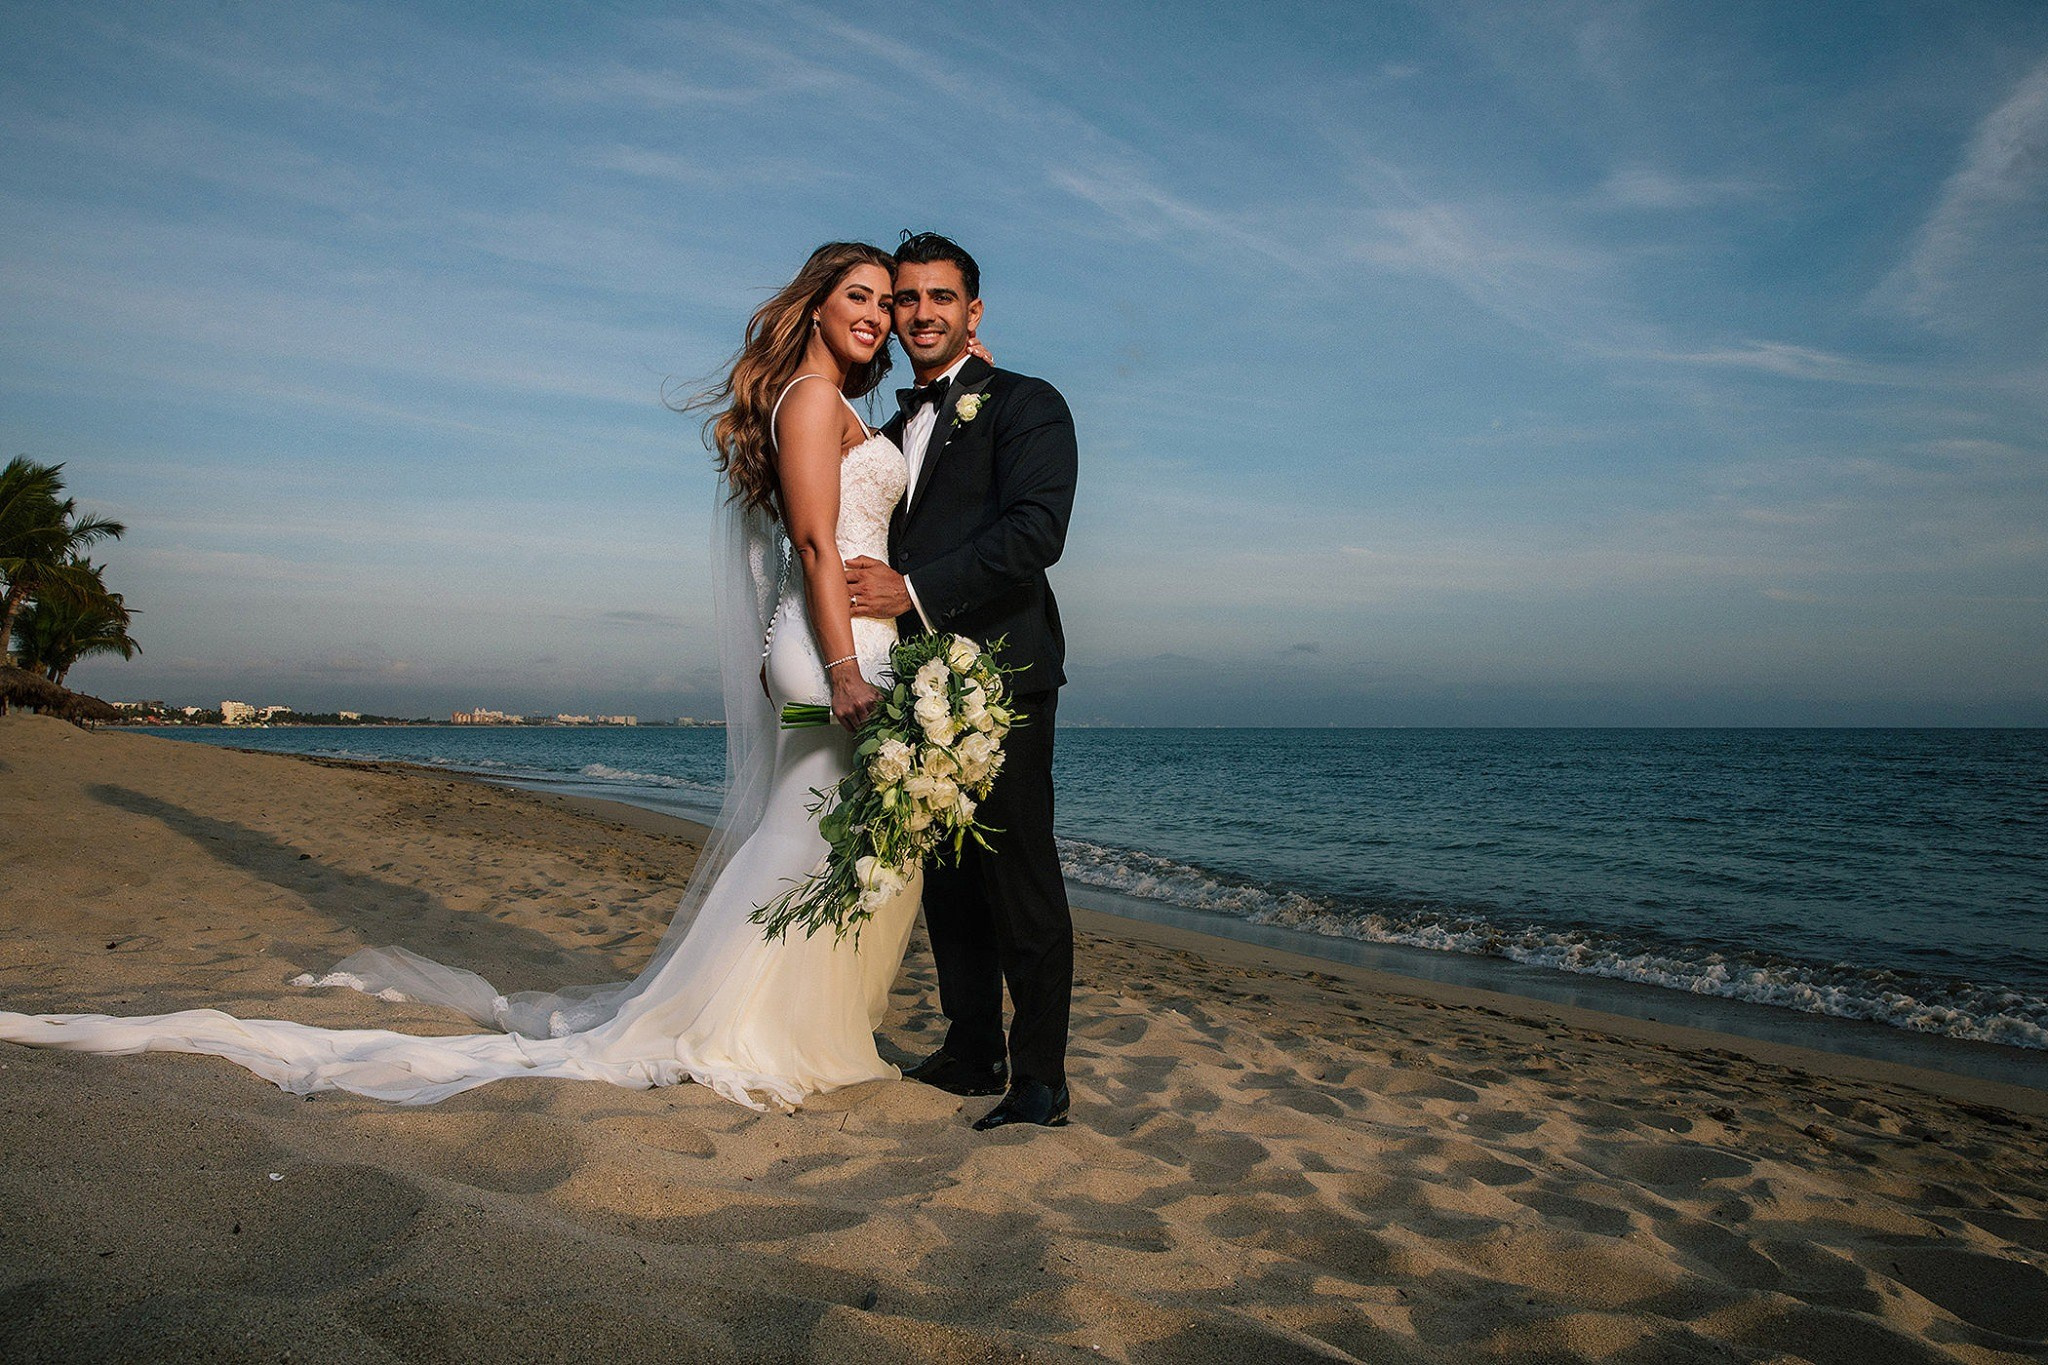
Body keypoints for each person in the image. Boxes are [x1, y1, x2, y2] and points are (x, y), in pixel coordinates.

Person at [0, 242, 926, 1113]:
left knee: (822, 832)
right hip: (832, 645)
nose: (877, 315)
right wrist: (844, 668)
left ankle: (787, 1020)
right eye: (859, 296)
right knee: (805, 831)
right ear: (814, 305)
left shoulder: (833, 402)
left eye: (887, 303)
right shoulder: (810, 399)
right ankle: (753, 1025)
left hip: (842, 636)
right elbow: (814, 544)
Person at [845, 232, 1079, 1131]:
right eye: (906, 298)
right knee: (943, 872)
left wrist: (910, 591)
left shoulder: (1028, 403)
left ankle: (1042, 1076)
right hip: (915, 675)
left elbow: (1036, 531)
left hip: (1005, 671)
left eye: (940, 297)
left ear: (972, 311)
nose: (921, 313)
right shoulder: (891, 428)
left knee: (1019, 873)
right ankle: (973, 1045)